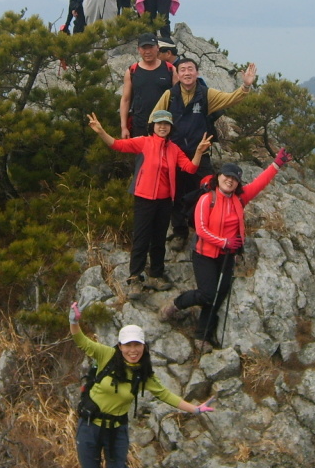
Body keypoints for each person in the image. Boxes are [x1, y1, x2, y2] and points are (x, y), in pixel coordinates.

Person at [70, 301, 213, 468]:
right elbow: (81, 341)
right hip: (90, 426)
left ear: (144, 347)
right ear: (119, 346)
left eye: (137, 345)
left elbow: (166, 395)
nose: (132, 350)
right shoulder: (106, 355)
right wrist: (74, 322)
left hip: (117, 430)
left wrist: (195, 408)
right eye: (128, 345)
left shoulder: (143, 373)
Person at [161, 151, 291, 352]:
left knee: (218, 296)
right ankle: (177, 304)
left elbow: (260, 182)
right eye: (227, 177)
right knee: (207, 294)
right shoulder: (207, 199)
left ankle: (202, 335)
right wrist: (223, 242)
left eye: (234, 179)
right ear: (218, 177)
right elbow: (201, 230)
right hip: (205, 254)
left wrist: (276, 164)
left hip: (228, 256)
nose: (230, 181)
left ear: (238, 183)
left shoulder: (240, 199)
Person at [88, 110, 211, 291]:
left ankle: (156, 275)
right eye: (159, 123)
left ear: (171, 128)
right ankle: (135, 278)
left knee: (159, 240)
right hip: (144, 199)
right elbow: (117, 145)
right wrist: (101, 132)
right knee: (141, 239)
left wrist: (199, 151)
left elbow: (190, 168)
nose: (162, 127)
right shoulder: (144, 142)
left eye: (166, 124)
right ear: (153, 126)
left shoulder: (174, 149)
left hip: (164, 202)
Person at [152, 59, 259, 249]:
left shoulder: (206, 94)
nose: (186, 73)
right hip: (175, 154)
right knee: (175, 193)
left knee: (207, 189)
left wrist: (245, 86)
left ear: (197, 72)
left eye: (190, 69)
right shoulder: (170, 95)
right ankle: (180, 232)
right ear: (177, 74)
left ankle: (204, 228)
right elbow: (155, 118)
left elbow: (231, 98)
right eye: (182, 70)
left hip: (200, 153)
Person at [119, 33, 175, 139]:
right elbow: (125, 100)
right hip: (140, 125)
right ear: (139, 49)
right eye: (144, 48)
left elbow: (178, 98)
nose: (148, 51)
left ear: (157, 48)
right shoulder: (132, 71)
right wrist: (124, 127)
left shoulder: (170, 69)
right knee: (141, 156)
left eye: (151, 47)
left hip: (164, 125)